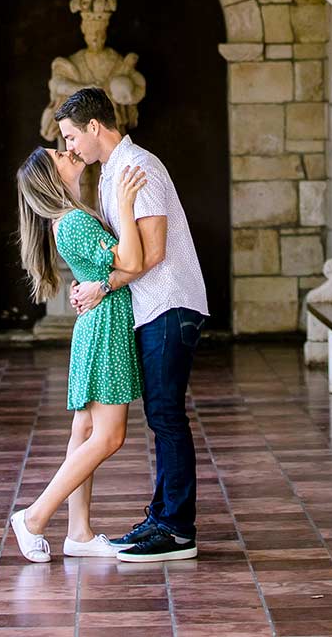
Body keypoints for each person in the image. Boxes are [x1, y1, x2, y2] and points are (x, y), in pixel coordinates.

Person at [58, 86, 208, 563]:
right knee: (161, 416)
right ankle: (163, 517)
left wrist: (103, 287)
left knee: (167, 415)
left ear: (94, 127)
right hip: (149, 308)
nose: (70, 148)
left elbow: (155, 250)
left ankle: (177, 530)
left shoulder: (137, 166)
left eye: (70, 137)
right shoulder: (109, 175)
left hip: (170, 305)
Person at [10, 143, 147, 563]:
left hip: (97, 324)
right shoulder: (71, 223)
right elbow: (132, 258)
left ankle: (79, 532)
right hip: (105, 327)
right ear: (51, 177)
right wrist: (126, 204)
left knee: (84, 433)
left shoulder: (70, 219)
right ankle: (34, 517)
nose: (64, 151)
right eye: (57, 154)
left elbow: (106, 267)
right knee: (110, 436)